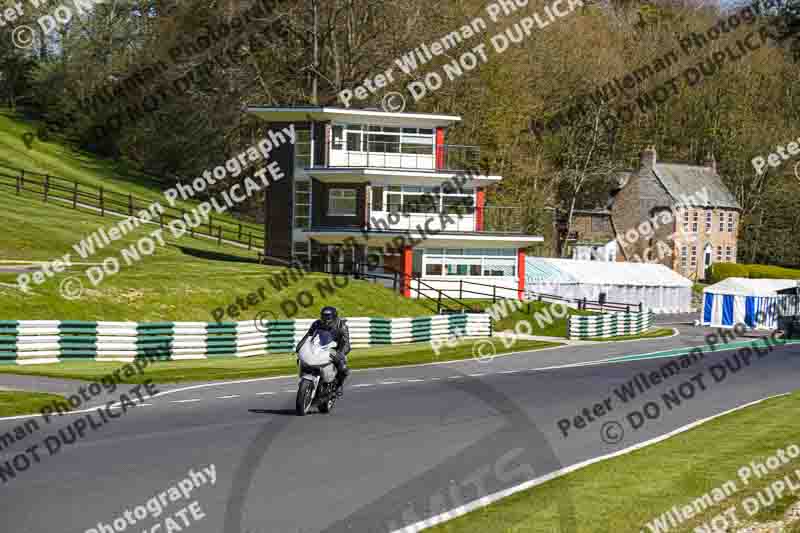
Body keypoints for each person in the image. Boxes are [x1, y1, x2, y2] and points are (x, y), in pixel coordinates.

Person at [296, 306, 351, 388]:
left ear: (334, 317)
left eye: (328, 318)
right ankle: (304, 376)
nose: (326, 320)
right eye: (324, 317)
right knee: (302, 358)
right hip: (321, 346)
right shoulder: (317, 323)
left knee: (342, 367)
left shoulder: (341, 326)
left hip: (336, 348)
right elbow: (308, 335)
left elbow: (346, 343)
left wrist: (341, 353)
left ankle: (338, 386)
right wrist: (299, 346)